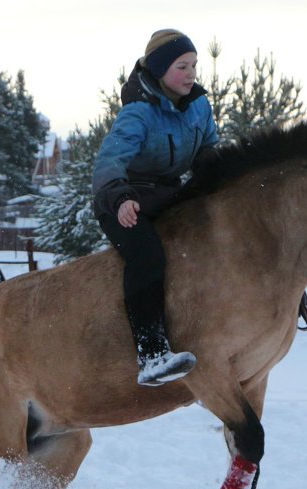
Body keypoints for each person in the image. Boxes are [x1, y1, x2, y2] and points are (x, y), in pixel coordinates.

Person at [91, 29, 219, 386]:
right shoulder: (138, 114)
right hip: (123, 201)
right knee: (148, 256)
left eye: (194, 65)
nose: (191, 73)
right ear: (161, 70)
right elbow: (108, 163)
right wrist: (119, 197)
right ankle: (151, 355)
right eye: (182, 66)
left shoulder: (199, 106)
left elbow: (209, 149)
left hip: (167, 196)